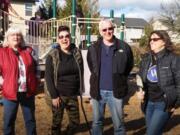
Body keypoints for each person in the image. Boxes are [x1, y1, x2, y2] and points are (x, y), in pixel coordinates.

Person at [87, 19, 134, 135]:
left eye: (110, 29)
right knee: (97, 122)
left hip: (116, 92)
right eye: (104, 29)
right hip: (98, 91)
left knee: (119, 124)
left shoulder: (124, 47)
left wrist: (120, 78)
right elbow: (91, 66)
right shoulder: (93, 48)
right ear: (100, 31)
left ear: (113, 29)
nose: (108, 31)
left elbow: (129, 66)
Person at [136, 30, 180, 135]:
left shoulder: (173, 59)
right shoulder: (146, 59)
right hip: (148, 102)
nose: (151, 41)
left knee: (151, 133)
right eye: (150, 39)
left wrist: (176, 103)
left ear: (164, 41)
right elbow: (140, 77)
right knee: (155, 131)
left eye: (155, 39)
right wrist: (139, 91)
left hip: (164, 103)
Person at [45, 25, 84, 135]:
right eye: (61, 37)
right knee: (57, 123)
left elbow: (81, 71)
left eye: (66, 36)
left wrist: (80, 88)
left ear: (70, 37)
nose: (64, 39)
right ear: (58, 39)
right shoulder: (52, 55)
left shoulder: (76, 53)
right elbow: (48, 77)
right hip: (59, 96)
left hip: (72, 94)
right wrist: (54, 96)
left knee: (75, 122)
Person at [0, 26, 38, 135]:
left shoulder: (28, 50)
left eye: (18, 35)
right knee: (8, 122)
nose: (16, 37)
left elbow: (37, 66)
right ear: (8, 38)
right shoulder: (1, 52)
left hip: (27, 92)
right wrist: (4, 83)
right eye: (13, 35)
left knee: (30, 120)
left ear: (21, 37)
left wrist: (37, 79)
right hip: (10, 93)